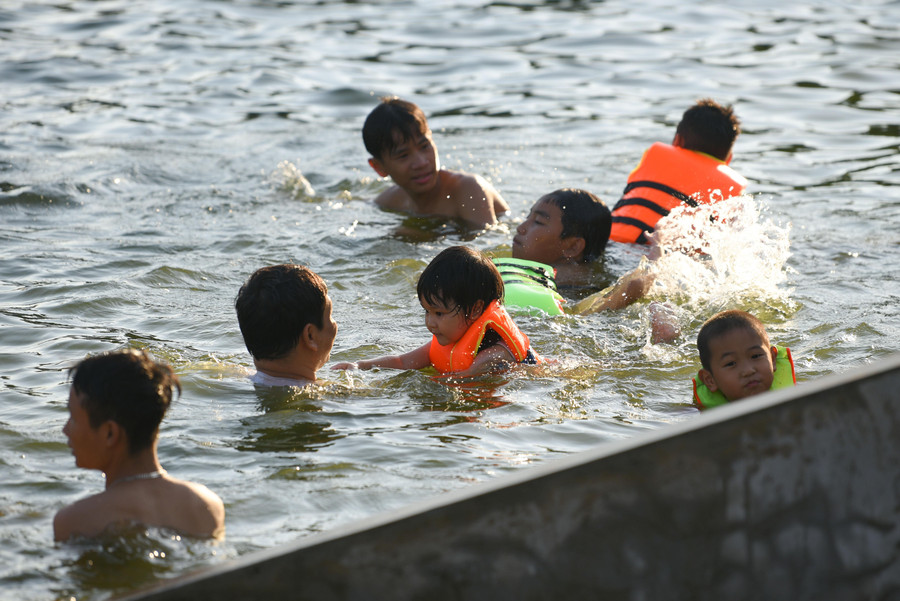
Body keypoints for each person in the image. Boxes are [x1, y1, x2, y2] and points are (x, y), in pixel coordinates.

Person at [54, 349, 225, 541]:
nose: (65, 430)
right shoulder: (207, 505)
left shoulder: (76, 521)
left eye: (73, 418)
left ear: (110, 433)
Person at [332, 246, 537, 377]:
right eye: (427, 311)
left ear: (475, 309)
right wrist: (360, 365)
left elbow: (461, 380)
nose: (429, 322)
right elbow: (402, 361)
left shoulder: (495, 354)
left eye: (439, 313)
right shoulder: (449, 341)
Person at [610, 98, 747, 245]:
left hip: (612, 241)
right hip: (664, 254)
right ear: (728, 160)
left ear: (677, 140)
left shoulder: (654, 154)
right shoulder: (733, 191)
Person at [362, 96, 509, 229]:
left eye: (425, 146)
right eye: (403, 155)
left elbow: (487, 246)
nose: (421, 162)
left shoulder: (468, 189)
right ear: (379, 167)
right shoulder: (390, 201)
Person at [495, 188, 612, 315]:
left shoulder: (575, 289)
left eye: (538, 222)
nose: (520, 228)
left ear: (573, 247)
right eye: (528, 217)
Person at [235, 264, 338, 387]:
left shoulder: (236, 375)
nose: (334, 323)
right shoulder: (330, 392)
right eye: (330, 315)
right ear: (310, 335)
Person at [693, 310, 796, 410]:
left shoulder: (798, 397)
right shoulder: (703, 415)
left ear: (772, 359)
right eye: (731, 363)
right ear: (710, 380)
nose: (748, 371)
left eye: (755, 356)